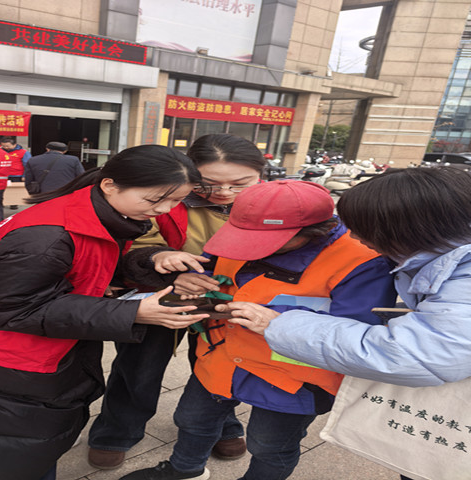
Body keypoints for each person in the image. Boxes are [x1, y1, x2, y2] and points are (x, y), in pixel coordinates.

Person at [0, 144, 209, 480]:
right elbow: (22, 309)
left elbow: (89, 265)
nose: (164, 210)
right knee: (16, 454)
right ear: (110, 185)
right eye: (154, 200)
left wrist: (155, 261)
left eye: (176, 200)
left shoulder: (95, 211)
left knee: (35, 444)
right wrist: (133, 313)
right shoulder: (46, 236)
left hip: (36, 344)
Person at [121, 180, 397, 480]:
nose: (248, 248)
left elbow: (358, 331)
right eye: (243, 237)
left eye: (264, 241)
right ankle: (184, 470)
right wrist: (191, 279)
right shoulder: (241, 233)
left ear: (316, 230)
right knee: (191, 420)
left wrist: (275, 318)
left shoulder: (362, 261)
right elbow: (213, 268)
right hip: (221, 356)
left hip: (294, 375)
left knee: (269, 446)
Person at [212, 167, 471, 480]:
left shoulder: (456, 278)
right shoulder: (437, 256)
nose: (355, 237)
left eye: (364, 230)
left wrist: (278, 324)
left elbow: (416, 355)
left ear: (409, 231)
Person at [88, 134, 266, 469]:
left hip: (231, 301)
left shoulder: (273, 204)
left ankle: (222, 425)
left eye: (240, 183)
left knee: (223, 364)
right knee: (139, 368)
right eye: (209, 183)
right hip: (163, 298)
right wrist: (163, 262)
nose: (224, 192)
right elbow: (134, 242)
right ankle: (115, 432)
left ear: (260, 174)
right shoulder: (164, 196)